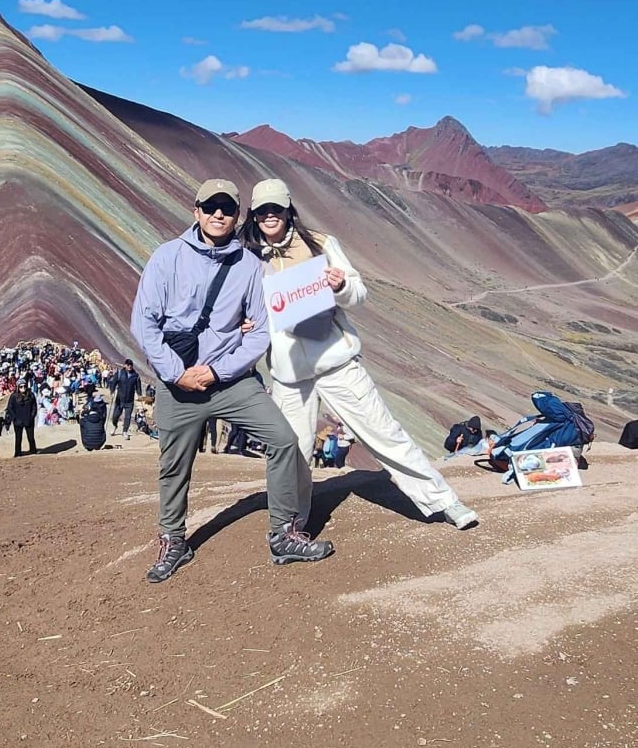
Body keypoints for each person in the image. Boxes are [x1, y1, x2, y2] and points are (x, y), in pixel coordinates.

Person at [240, 178, 478, 530]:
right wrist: (247, 325)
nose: (269, 216)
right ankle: (291, 525)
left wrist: (341, 286)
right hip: (289, 375)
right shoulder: (247, 257)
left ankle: (444, 502)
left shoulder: (320, 244)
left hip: (336, 362)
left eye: (276, 208)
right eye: (262, 211)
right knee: (294, 452)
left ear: (289, 209)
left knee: (384, 432)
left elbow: (359, 294)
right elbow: (246, 309)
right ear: (254, 215)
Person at [133, 178, 333, 582]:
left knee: (282, 440)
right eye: (210, 207)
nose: (218, 214)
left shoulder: (248, 265)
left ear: (236, 215)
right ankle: (173, 540)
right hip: (178, 383)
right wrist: (176, 374)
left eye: (226, 208)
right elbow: (144, 324)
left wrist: (217, 370)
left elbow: (259, 331)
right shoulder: (167, 257)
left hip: (230, 381)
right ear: (196, 211)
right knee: (174, 465)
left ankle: (283, 534)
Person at [5, 378, 39, 456]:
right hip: (18, 420)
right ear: (18, 387)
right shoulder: (13, 396)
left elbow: (34, 407)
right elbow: (10, 407)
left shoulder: (31, 395)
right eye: (21, 386)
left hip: (29, 419)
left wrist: (32, 416)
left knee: (31, 438)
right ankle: (18, 453)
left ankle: (33, 451)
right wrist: (14, 417)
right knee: (18, 438)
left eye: (24, 386)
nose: (23, 388)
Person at [110, 359, 141, 440]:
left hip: (129, 400)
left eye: (131, 364)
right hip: (119, 399)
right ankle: (115, 426)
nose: (129, 366)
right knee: (115, 416)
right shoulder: (120, 373)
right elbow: (113, 383)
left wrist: (139, 394)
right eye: (128, 364)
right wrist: (112, 392)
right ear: (125, 365)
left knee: (127, 417)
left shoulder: (136, 376)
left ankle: (125, 432)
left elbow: (138, 387)